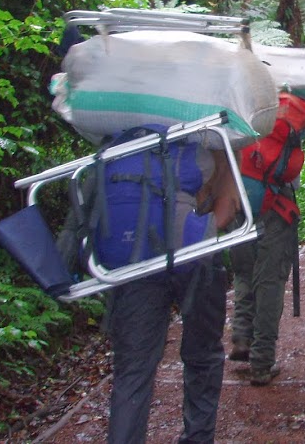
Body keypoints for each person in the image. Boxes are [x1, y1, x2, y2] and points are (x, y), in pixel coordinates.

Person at [106, 149, 240, 444]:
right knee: (203, 355)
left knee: (133, 369)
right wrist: (199, 231)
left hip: (136, 253)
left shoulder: (127, 136)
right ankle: (197, 438)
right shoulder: (213, 134)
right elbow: (228, 206)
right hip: (195, 255)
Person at [228, 92, 305, 387]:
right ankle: (262, 362)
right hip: (276, 212)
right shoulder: (287, 127)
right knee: (270, 282)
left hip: (238, 205)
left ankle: (240, 337)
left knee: (243, 273)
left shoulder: (242, 111)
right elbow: (292, 177)